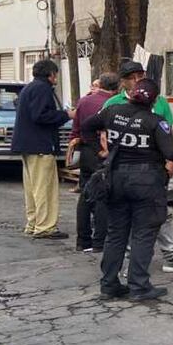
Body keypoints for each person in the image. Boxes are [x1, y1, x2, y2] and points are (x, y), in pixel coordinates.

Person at [84, 79, 173, 300]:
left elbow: (86, 127)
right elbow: (170, 152)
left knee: (116, 234)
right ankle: (139, 286)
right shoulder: (156, 122)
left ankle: (109, 284)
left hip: (116, 179)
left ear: (130, 94)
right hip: (146, 183)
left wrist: (101, 152)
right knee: (143, 233)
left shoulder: (112, 112)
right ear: (155, 100)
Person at [104, 61, 173, 273]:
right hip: (123, 171)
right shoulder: (113, 104)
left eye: (141, 75)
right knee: (128, 219)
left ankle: (171, 256)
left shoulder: (159, 102)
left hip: (153, 172)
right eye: (133, 77)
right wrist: (107, 155)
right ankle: (129, 266)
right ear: (123, 81)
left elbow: (168, 137)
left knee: (160, 213)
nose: (138, 80)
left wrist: (171, 162)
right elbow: (101, 133)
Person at [11, 59, 75, 239]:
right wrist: (66, 115)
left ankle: (33, 222)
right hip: (40, 144)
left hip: (27, 145)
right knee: (44, 188)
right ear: (51, 75)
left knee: (32, 189)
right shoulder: (42, 89)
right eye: (56, 75)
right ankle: (45, 226)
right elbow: (41, 115)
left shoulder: (29, 88)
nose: (56, 78)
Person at [70, 72, 118, 251]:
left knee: (85, 194)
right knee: (102, 197)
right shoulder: (113, 104)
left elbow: (76, 128)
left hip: (86, 152)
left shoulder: (84, 101)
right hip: (103, 153)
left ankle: (82, 241)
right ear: (116, 88)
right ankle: (100, 241)